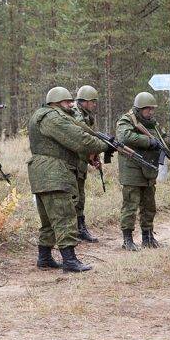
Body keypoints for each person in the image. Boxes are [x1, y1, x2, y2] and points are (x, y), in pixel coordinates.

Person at [27, 87, 107, 272]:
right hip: (53, 172)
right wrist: (104, 145)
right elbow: (79, 139)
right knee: (64, 215)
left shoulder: (45, 116)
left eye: (71, 101)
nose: (71, 104)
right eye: (67, 102)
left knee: (49, 220)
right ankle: (70, 260)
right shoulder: (53, 117)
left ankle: (45, 257)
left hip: (44, 172)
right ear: (55, 103)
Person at [116, 92, 170, 250]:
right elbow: (124, 136)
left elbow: (159, 137)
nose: (151, 112)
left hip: (149, 168)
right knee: (130, 205)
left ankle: (148, 237)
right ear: (139, 108)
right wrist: (147, 141)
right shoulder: (127, 120)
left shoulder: (152, 122)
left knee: (149, 205)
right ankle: (128, 240)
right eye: (148, 109)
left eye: (152, 109)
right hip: (132, 168)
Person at [73, 85, 102, 243]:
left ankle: (80, 228)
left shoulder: (87, 116)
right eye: (93, 102)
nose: (94, 105)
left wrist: (94, 158)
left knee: (80, 196)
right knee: (74, 197)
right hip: (74, 161)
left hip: (81, 161)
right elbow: (82, 137)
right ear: (86, 101)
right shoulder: (77, 114)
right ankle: (74, 230)